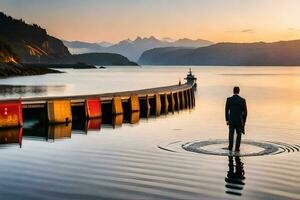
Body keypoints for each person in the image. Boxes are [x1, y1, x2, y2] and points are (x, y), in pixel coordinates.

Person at [225, 86, 247, 151]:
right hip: (239, 120)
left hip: (231, 120)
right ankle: (237, 148)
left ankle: (230, 147)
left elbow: (226, 110)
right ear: (239, 91)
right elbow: (245, 113)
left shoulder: (229, 99)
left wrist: (227, 119)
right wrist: (243, 121)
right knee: (239, 134)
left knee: (231, 134)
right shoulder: (242, 100)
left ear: (233, 91)